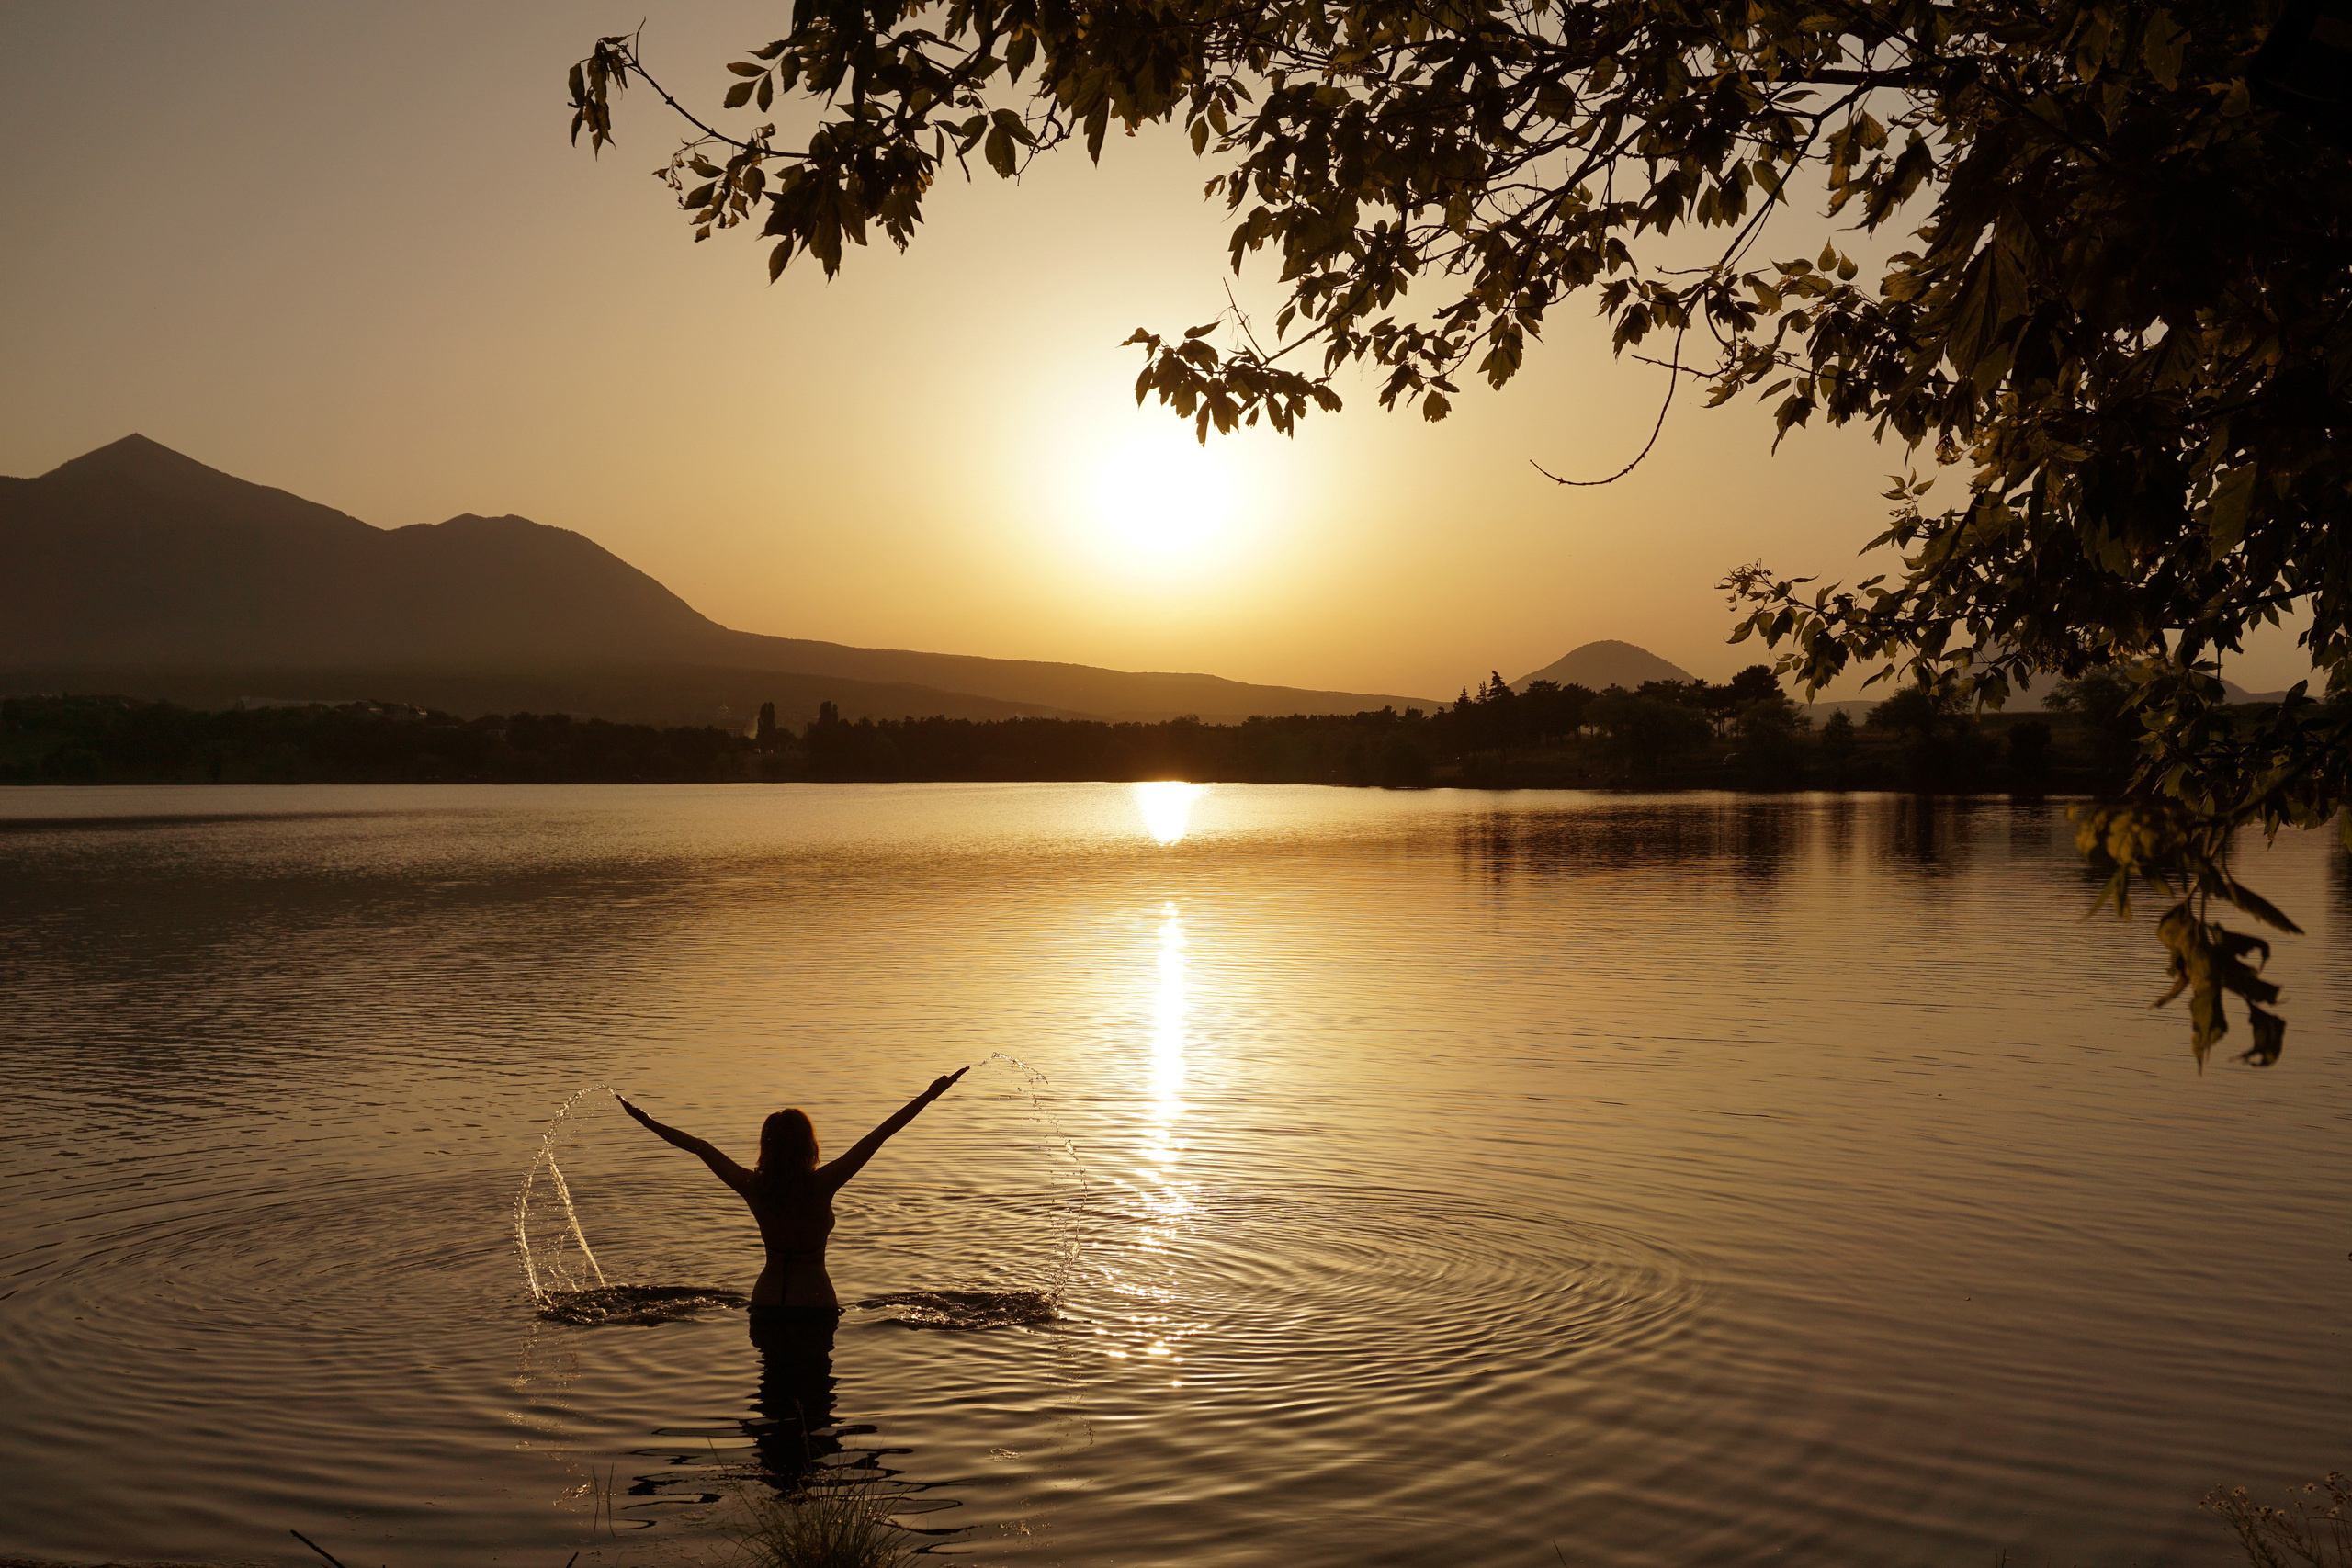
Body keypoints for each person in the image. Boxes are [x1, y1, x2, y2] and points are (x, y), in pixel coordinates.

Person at [614, 1068, 968, 1333]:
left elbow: (699, 1147)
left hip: (765, 1301)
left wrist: (645, 1120)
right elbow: (882, 1133)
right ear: (808, 1146)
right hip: (814, 1303)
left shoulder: (752, 1186)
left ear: (767, 1146)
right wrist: (930, 1095)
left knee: (770, 1401)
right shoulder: (823, 1184)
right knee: (814, 1409)